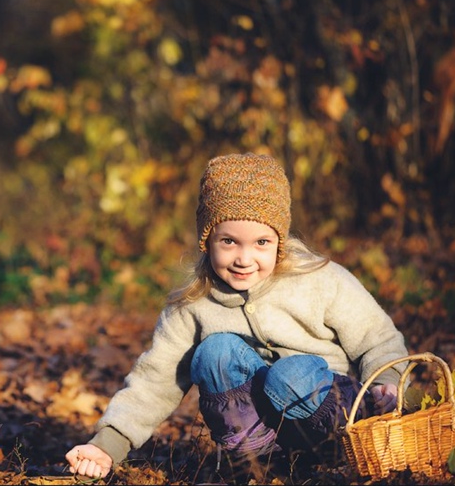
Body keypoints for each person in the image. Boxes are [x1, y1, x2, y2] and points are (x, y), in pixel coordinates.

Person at [65, 153, 408, 480]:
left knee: (291, 375)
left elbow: (377, 338)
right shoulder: (193, 305)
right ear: (207, 240)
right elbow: (154, 380)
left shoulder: (319, 279)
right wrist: (108, 444)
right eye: (229, 241)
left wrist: (386, 384)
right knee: (215, 353)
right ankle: (256, 462)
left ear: (280, 241)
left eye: (261, 242)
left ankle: (330, 455)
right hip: (259, 431)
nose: (244, 258)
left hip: (329, 412)